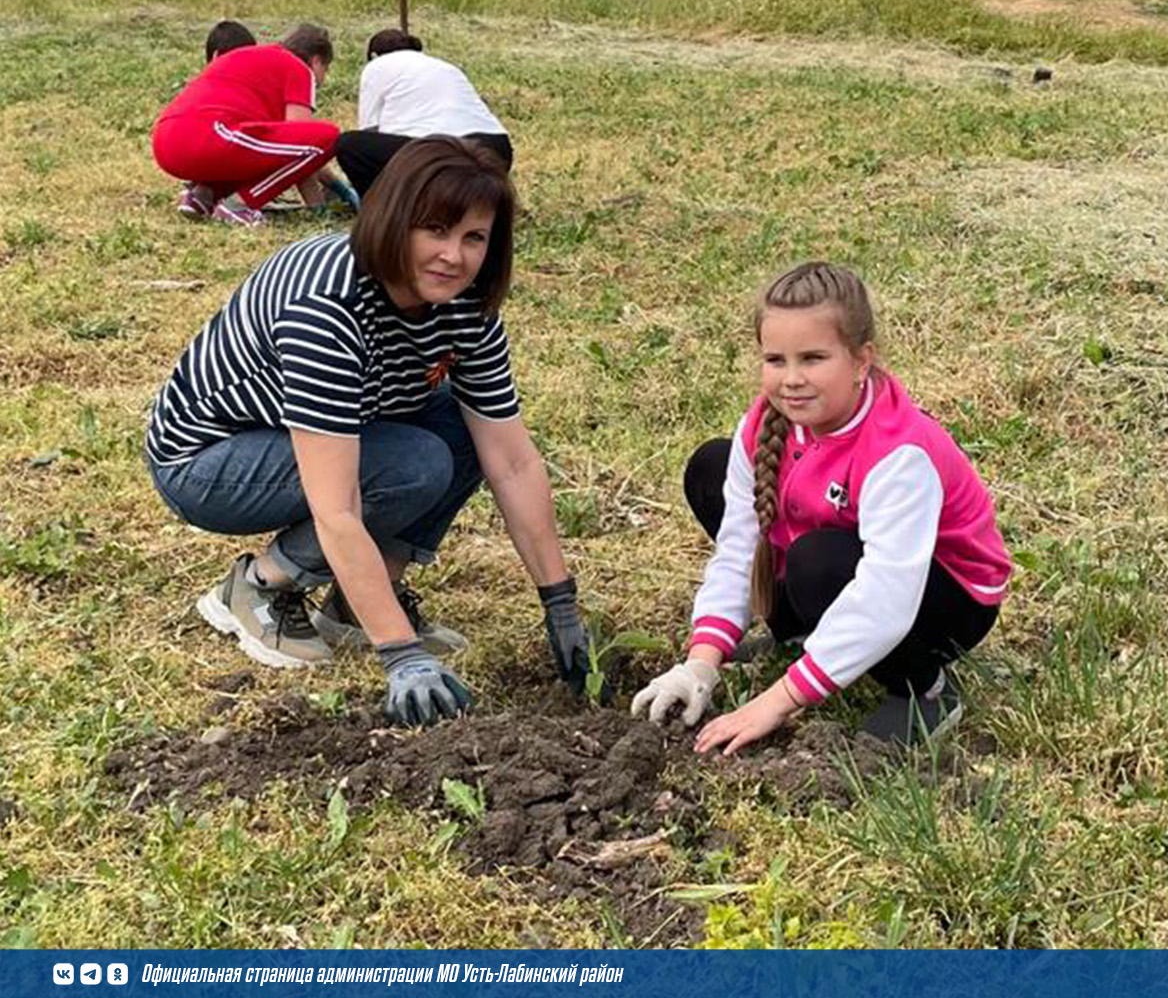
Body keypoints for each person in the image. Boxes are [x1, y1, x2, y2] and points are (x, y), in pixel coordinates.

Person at [144, 137, 592, 726]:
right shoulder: (327, 303)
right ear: (392, 218)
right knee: (414, 464)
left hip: (344, 425)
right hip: (208, 459)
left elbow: (510, 458)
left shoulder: (467, 303)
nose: (452, 256)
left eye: (473, 238)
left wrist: (558, 599)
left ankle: (359, 603)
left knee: (461, 427)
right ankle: (258, 587)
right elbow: (337, 506)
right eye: (434, 230)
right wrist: (400, 654)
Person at [632, 262, 1011, 750]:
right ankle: (801, 634)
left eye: (813, 358)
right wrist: (701, 663)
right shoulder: (764, 426)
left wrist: (776, 701)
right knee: (710, 466)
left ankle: (925, 689)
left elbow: (886, 597)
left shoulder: (898, 452)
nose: (791, 379)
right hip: (841, 558)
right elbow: (738, 550)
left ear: (861, 361)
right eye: (775, 360)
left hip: (945, 597)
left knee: (817, 564)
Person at [153, 24, 343, 228]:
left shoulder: (248, 58)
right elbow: (305, 149)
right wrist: (320, 207)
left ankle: (202, 196)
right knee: (329, 136)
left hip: (166, 141)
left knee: (256, 149)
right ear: (316, 61)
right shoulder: (299, 68)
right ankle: (240, 205)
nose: (324, 77)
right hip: (210, 137)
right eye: (326, 68)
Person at [333, 30, 512, 199]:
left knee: (349, 144)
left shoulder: (376, 66)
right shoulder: (445, 66)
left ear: (373, 55)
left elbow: (370, 129)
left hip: (433, 154)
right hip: (495, 150)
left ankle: (379, 210)